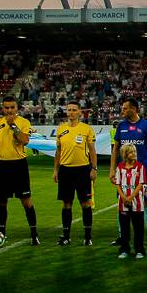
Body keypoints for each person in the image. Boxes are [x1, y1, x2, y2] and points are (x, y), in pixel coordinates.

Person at [0, 96, 39, 245]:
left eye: (12, 107)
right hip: (2, 166)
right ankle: (2, 233)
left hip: (19, 165)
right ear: (2, 108)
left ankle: (34, 234)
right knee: (1, 202)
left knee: (26, 202)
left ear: (17, 108)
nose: (9, 110)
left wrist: (13, 126)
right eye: (6, 108)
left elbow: (25, 140)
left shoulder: (24, 122)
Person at [110, 98, 147, 246]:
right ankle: (122, 235)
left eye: (125, 109)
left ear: (134, 109)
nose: (122, 111)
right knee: (122, 201)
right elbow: (115, 150)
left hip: (142, 172)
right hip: (123, 173)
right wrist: (112, 169)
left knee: (146, 201)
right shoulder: (121, 126)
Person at [53, 101, 98, 246]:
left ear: (79, 112)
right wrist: (56, 170)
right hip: (65, 170)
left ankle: (88, 237)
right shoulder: (61, 129)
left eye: (74, 110)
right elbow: (58, 152)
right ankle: (66, 236)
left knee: (85, 203)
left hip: (83, 170)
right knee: (66, 204)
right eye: (69, 110)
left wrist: (94, 168)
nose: (71, 112)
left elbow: (92, 150)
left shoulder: (86, 129)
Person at [114, 144, 147, 259]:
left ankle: (139, 250)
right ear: (125, 154)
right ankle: (124, 249)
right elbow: (118, 184)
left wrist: (132, 196)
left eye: (135, 151)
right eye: (131, 152)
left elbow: (141, 184)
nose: (134, 154)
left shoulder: (140, 167)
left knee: (138, 227)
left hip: (137, 202)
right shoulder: (120, 167)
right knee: (124, 228)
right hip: (123, 202)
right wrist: (123, 197)